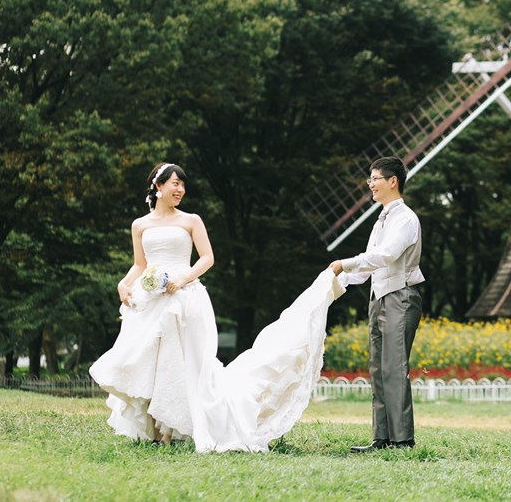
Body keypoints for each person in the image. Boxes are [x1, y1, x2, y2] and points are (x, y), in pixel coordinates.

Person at [90, 162, 345, 452]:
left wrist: (183, 278)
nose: (181, 190)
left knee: (179, 362)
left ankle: (169, 431)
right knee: (150, 362)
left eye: (183, 185)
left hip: (183, 297)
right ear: (158, 186)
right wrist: (123, 284)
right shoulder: (140, 224)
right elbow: (140, 264)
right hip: (150, 300)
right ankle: (152, 422)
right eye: (175, 184)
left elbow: (207, 257)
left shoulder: (191, 220)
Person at [331, 156, 424, 451]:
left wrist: (343, 264)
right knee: (378, 369)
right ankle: (381, 438)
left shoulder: (406, 219)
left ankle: (402, 440)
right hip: (378, 296)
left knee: (394, 368)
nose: (370, 184)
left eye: (375, 179)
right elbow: (369, 265)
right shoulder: (381, 218)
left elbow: (385, 256)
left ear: (392, 181)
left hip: (401, 296)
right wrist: (335, 283)